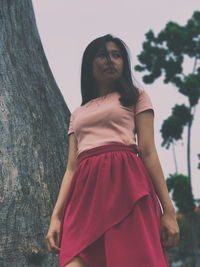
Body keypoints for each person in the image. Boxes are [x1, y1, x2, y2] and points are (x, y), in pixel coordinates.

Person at [45, 34, 180, 267]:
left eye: (116, 55)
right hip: (84, 195)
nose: (110, 60)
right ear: (90, 64)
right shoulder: (78, 113)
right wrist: (56, 217)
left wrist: (168, 210)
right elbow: (71, 167)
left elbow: (148, 151)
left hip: (126, 187)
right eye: (103, 55)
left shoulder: (136, 97)